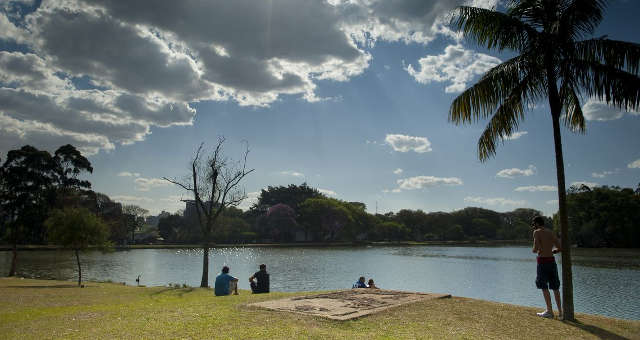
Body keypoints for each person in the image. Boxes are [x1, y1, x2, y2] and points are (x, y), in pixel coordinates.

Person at [532, 216, 562, 319]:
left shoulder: (536, 232)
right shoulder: (550, 232)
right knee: (555, 287)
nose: (533, 226)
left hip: (542, 262)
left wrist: (535, 250)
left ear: (536, 223)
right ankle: (561, 313)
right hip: (552, 261)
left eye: (534, 224)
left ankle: (549, 311)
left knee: (544, 286)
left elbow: (535, 249)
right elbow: (559, 247)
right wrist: (553, 251)